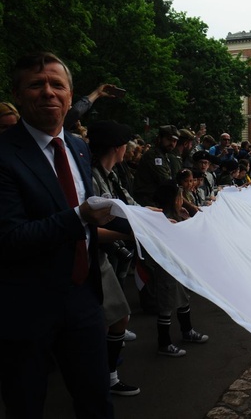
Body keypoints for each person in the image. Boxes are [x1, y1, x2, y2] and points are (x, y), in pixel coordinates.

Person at [0, 52, 114, 417]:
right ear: (18, 94)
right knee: (27, 404)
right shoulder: (4, 155)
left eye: (57, 84)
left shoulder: (78, 147)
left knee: (96, 401)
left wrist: (139, 225)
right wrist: (80, 215)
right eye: (36, 84)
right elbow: (10, 239)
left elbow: (85, 224)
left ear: (70, 94)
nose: (48, 92)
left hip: (82, 297)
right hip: (25, 308)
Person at [87, 120, 140, 397]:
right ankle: (106, 378)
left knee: (116, 317)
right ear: (119, 148)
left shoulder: (110, 174)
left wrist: (155, 218)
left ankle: (105, 374)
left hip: (101, 254)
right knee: (116, 317)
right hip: (88, 256)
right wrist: (129, 236)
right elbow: (89, 228)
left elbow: (130, 207)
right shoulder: (91, 177)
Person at [141, 181, 209, 358]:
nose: (182, 201)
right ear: (173, 200)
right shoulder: (161, 217)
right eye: (180, 197)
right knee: (166, 305)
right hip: (166, 267)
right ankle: (164, 343)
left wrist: (184, 219)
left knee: (184, 298)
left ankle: (187, 331)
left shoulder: (175, 214)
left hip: (178, 265)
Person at [133, 124, 180, 206]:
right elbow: (165, 181)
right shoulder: (154, 155)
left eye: (174, 141)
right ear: (160, 138)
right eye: (169, 139)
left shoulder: (164, 155)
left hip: (154, 200)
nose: (172, 143)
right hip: (147, 201)